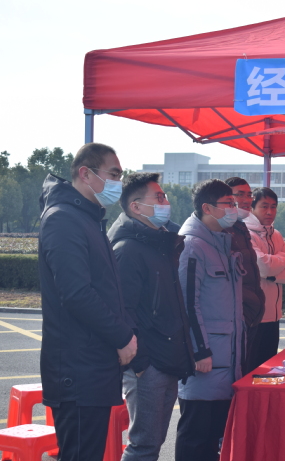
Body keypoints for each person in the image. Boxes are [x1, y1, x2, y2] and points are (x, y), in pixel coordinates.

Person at [38, 142, 137, 461]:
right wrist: (122, 337)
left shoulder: (88, 219)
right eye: (114, 174)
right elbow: (76, 293)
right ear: (86, 173)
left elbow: (107, 291)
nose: (118, 183)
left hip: (92, 365)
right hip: (77, 369)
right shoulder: (63, 219)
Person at [107, 172, 195, 461]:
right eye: (158, 198)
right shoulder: (128, 249)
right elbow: (122, 311)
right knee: (143, 445)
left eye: (164, 196)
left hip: (166, 357)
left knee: (154, 442)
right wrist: (141, 363)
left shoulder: (157, 244)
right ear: (135, 207)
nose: (165, 202)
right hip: (148, 364)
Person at [175, 179, 245, 461]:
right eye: (228, 203)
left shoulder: (221, 242)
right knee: (195, 437)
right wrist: (200, 351)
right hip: (205, 360)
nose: (234, 209)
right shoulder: (192, 245)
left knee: (214, 439)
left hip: (225, 359)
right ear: (207, 208)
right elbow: (186, 303)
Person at [244, 187, 285, 367]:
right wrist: (283, 258)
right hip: (254, 317)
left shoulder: (276, 235)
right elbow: (263, 266)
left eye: (273, 207)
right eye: (264, 206)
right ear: (252, 208)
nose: (269, 211)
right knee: (251, 369)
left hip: (274, 317)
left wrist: (271, 276)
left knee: (269, 369)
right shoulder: (247, 233)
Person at [224, 177, 265, 373]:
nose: (247, 200)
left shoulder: (241, 228)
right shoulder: (222, 230)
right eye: (240, 194)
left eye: (249, 195)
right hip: (236, 316)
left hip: (251, 313)